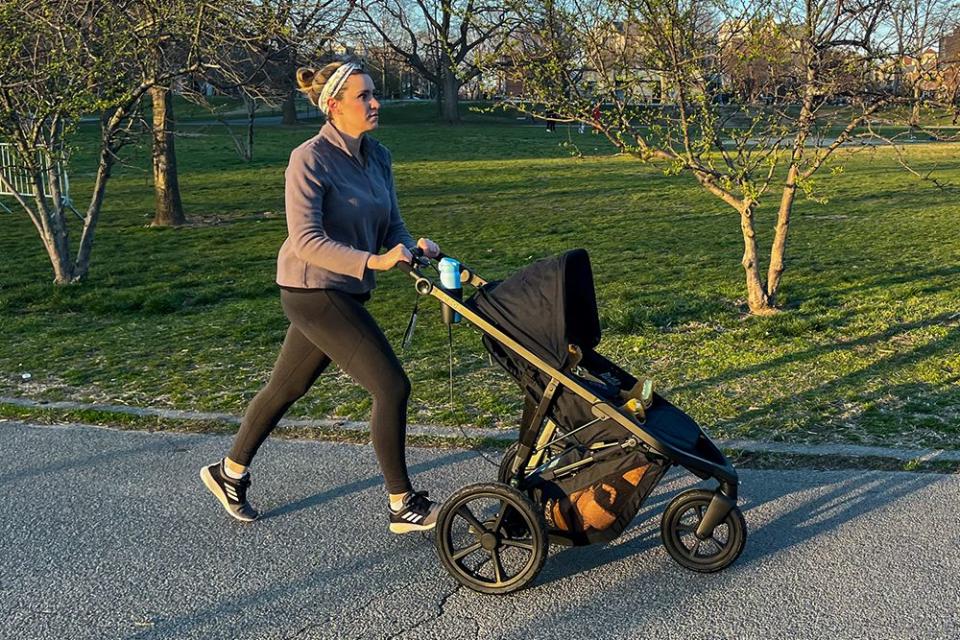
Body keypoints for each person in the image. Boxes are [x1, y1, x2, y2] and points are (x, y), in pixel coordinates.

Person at [201, 60, 443, 534]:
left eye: (375, 93)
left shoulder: (378, 156)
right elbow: (305, 240)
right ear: (333, 106)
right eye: (363, 96)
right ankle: (401, 503)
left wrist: (412, 245)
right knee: (391, 386)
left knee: (287, 387)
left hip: (346, 287)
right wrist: (374, 262)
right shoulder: (308, 158)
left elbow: (390, 222)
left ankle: (228, 473)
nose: (375, 103)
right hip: (311, 289)